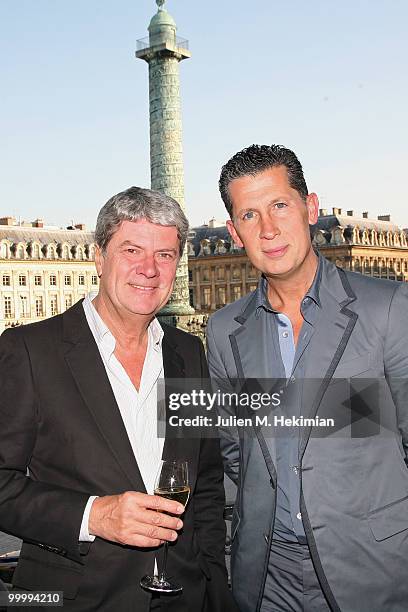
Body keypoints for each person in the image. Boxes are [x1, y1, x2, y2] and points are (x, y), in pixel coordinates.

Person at [0, 187, 237, 612]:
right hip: (76, 599)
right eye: (132, 250)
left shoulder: (188, 353)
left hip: (185, 598)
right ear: (98, 256)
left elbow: (206, 487)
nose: (149, 269)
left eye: (165, 255)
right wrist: (95, 515)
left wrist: (214, 587)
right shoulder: (30, 350)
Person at [206, 144, 408, 612]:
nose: (269, 229)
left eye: (279, 205)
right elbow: (235, 448)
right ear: (235, 233)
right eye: (250, 216)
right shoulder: (223, 330)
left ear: (310, 208)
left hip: (372, 567)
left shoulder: (390, 308)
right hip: (267, 575)